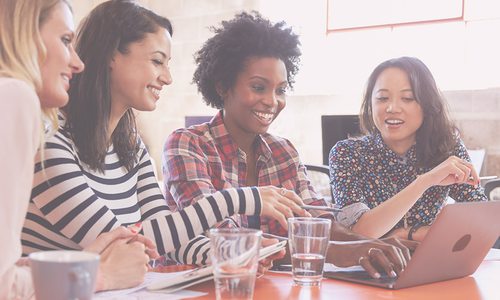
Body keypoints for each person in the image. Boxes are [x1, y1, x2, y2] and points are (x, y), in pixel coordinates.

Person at [21, 0, 305, 272]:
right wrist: (240, 198)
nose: (167, 77)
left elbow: (168, 239)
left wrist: (237, 253)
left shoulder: (131, 147)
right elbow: (124, 245)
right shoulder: (48, 143)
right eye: (157, 61)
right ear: (111, 55)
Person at [163, 12, 417, 278]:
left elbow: (318, 222)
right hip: (198, 289)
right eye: (259, 87)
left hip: (269, 288)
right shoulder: (187, 145)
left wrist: (371, 245)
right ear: (223, 86)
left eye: (280, 90)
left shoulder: (283, 152)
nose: (272, 101)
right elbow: (225, 238)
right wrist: (338, 252)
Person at [0, 0, 160, 297]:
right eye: (64, 41)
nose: (78, 63)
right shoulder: (13, 97)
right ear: (21, 35)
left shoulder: (132, 143)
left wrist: (79, 264)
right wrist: (98, 275)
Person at [329, 56, 487, 241]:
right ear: (370, 104)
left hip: (433, 264)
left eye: (407, 98)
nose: (392, 107)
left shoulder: (447, 149)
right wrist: (425, 182)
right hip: (368, 267)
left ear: (427, 104)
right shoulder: (347, 153)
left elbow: (482, 223)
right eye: (382, 98)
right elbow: (359, 233)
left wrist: (408, 233)